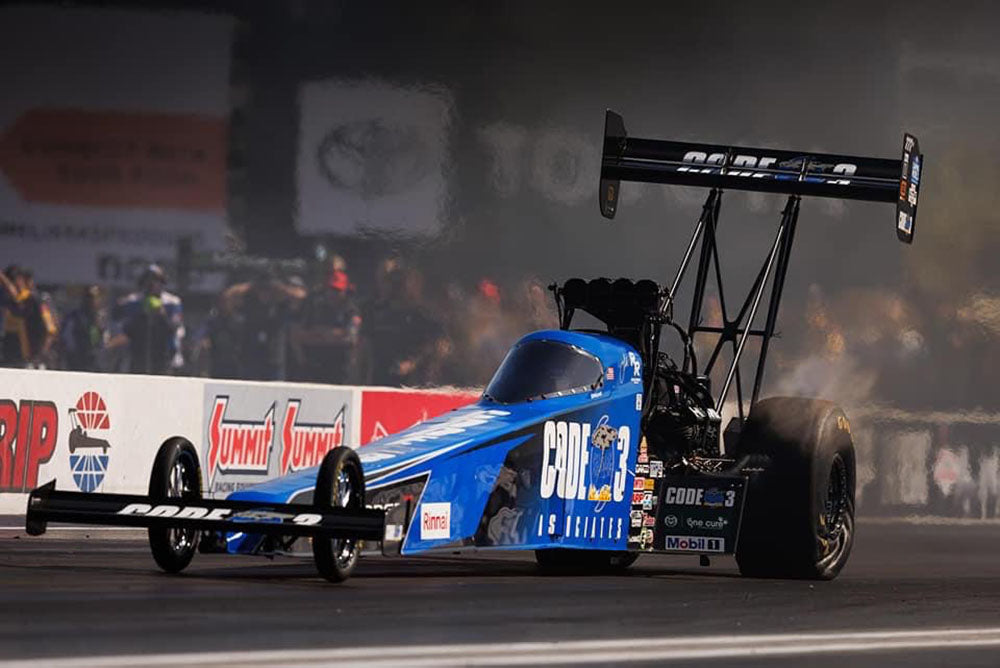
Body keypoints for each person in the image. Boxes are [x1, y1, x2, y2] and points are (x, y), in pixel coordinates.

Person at [113, 264, 184, 375]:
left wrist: (162, 315)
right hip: (138, 353)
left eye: (157, 281)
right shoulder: (133, 301)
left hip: (164, 354)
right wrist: (141, 314)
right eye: (149, 280)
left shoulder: (172, 302)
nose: (152, 285)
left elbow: (174, 327)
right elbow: (123, 326)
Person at [1, 267, 58, 368]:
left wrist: (39, 357)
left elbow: (50, 330)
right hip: (20, 360)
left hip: (39, 362)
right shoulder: (15, 303)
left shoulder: (37, 300)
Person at [61, 285, 107, 372]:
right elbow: (68, 338)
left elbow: (101, 340)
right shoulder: (75, 317)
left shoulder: (99, 318)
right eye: (90, 298)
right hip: (78, 361)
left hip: (95, 361)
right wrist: (73, 355)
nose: (93, 301)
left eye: (96, 298)